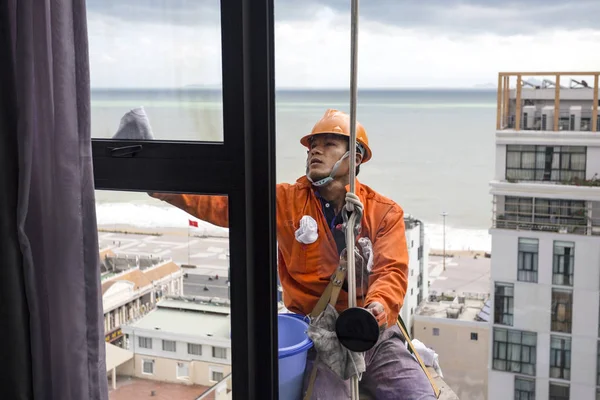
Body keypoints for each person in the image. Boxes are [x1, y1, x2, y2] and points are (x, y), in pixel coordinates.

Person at [149, 109, 436, 399]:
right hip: (318, 333)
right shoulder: (286, 202)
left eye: (329, 144)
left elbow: (391, 271)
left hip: (372, 331)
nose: (315, 151)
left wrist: (377, 307)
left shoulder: (383, 213)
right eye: (313, 145)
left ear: (356, 157)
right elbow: (224, 205)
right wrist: (165, 187)